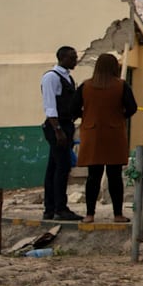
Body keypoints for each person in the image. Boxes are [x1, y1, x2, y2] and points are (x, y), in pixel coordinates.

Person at [77, 53, 137, 223]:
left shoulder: (85, 86)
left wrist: (87, 116)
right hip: (114, 133)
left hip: (92, 133)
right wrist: (119, 116)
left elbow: (72, 108)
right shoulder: (121, 86)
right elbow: (132, 108)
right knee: (115, 176)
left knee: (93, 176)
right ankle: (117, 214)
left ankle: (90, 214)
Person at [40, 46, 84, 221]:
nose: (75, 61)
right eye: (72, 58)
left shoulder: (68, 78)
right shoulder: (51, 77)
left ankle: (50, 208)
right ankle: (60, 208)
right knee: (63, 167)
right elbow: (50, 105)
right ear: (62, 58)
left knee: (53, 167)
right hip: (57, 126)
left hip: (67, 124)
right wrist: (58, 130)